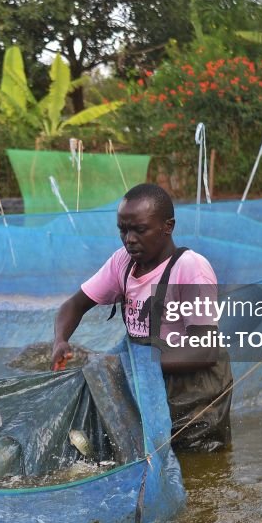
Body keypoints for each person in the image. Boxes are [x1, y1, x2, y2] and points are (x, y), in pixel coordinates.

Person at [50, 183, 233, 451]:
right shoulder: (122, 263)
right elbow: (74, 305)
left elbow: (204, 350)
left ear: (167, 226)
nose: (129, 239)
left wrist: (134, 365)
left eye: (140, 229)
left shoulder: (190, 269)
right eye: (123, 230)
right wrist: (60, 340)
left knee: (199, 472)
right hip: (148, 386)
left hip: (195, 396)